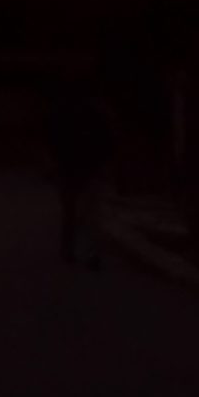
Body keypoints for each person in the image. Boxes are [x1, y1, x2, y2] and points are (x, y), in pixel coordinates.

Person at [43, 73, 115, 271]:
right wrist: (105, 164)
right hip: (90, 167)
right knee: (91, 212)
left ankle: (68, 249)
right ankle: (90, 252)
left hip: (69, 167)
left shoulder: (60, 112)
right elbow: (108, 140)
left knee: (70, 210)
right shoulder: (98, 113)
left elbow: (51, 138)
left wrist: (53, 162)